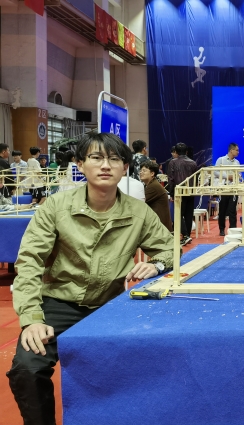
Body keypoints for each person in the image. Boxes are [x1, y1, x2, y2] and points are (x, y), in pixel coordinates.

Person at [7, 132, 174, 425]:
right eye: (96, 158)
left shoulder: (138, 213)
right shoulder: (56, 207)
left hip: (111, 305)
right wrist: (32, 318)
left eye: (114, 159)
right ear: (80, 165)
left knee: (148, 361)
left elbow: (170, 249)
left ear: (125, 167)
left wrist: (157, 264)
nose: (105, 165)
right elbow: (30, 261)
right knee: (27, 368)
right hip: (58, 302)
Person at [168, 142, 198, 245]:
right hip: (190, 192)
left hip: (179, 192)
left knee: (178, 214)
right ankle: (187, 235)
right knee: (189, 215)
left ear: (176, 152)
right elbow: (195, 179)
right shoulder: (193, 163)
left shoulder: (173, 162)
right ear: (186, 152)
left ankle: (185, 235)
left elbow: (171, 179)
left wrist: (172, 194)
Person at [215, 143, 240, 236]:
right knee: (222, 210)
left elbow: (238, 173)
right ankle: (221, 229)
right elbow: (215, 172)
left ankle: (233, 230)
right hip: (223, 188)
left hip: (233, 189)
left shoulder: (237, 162)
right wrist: (227, 176)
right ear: (231, 150)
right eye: (237, 150)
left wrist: (237, 176)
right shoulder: (221, 160)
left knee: (232, 211)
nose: (238, 152)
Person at [140, 160, 172, 231]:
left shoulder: (153, 187)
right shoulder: (151, 184)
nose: (141, 172)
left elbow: (140, 203)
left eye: (144, 170)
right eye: (140, 170)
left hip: (160, 228)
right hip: (159, 225)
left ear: (152, 173)